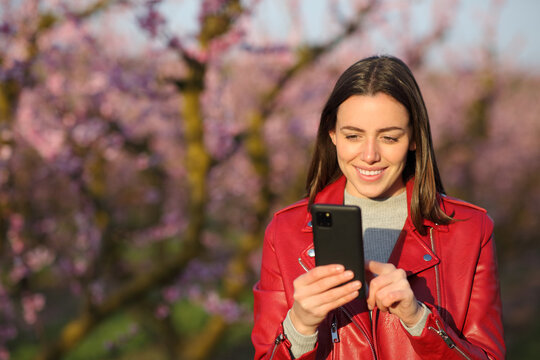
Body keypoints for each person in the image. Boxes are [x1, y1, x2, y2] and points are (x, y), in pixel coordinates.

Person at [251, 55, 505, 359]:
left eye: (389, 137)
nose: (369, 155)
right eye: (353, 135)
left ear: (414, 138)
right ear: (331, 133)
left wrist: (418, 320)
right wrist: (300, 327)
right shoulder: (285, 231)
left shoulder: (470, 229)